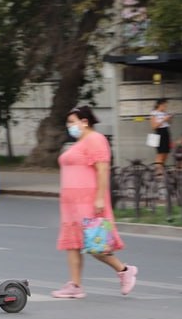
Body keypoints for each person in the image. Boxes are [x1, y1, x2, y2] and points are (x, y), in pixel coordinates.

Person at [52, 105, 138, 299]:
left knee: (95, 244)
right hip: (71, 204)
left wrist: (100, 198)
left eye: (72, 122)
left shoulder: (96, 139)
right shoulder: (79, 143)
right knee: (73, 244)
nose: (69, 126)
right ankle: (75, 285)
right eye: (68, 123)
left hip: (88, 201)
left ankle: (124, 270)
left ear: (85, 122)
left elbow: (102, 170)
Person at [150, 98, 172, 170]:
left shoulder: (165, 113)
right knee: (160, 154)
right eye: (165, 105)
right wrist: (164, 120)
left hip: (166, 132)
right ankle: (158, 172)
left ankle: (162, 169)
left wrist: (169, 119)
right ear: (160, 105)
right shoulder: (154, 113)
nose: (166, 107)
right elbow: (154, 126)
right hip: (159, 133)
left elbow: (169, 123)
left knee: (166, 153)